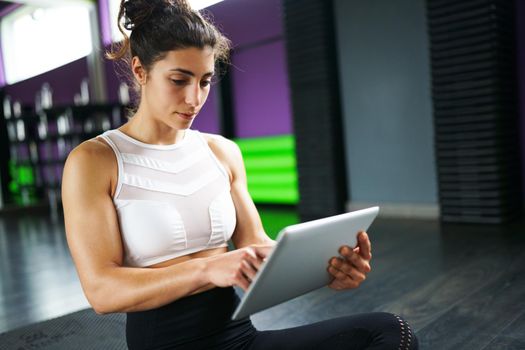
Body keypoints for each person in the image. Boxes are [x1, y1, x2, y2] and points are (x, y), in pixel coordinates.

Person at [61, 0, 418, 349]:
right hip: (164, 341)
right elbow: (102, 291)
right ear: (140, 71)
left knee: (390, 332)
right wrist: (208, 270)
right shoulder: (95, 161)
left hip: (238, 337)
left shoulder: (221, 152)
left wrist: (328, 269)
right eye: (179, 80)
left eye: (204, 81)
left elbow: (257, 247)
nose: (194, 99)